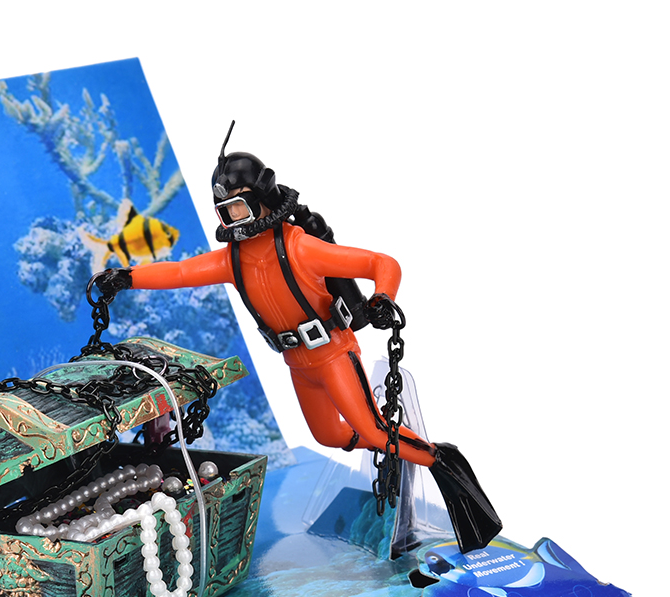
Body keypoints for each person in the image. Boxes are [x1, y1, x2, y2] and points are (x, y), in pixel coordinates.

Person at [92, 130, 501, 553]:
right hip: (297, 362)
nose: (232, 219)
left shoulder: (300, 247)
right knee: (330, 435)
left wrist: (382, 298)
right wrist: (126, 277)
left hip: (333, 353)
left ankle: (441, 462)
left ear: (262, 200)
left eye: (238, 207)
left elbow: (382, 263)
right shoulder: (233, 260)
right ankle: (397, 447)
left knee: (371, 428)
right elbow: (180, 272)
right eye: (225, 212)